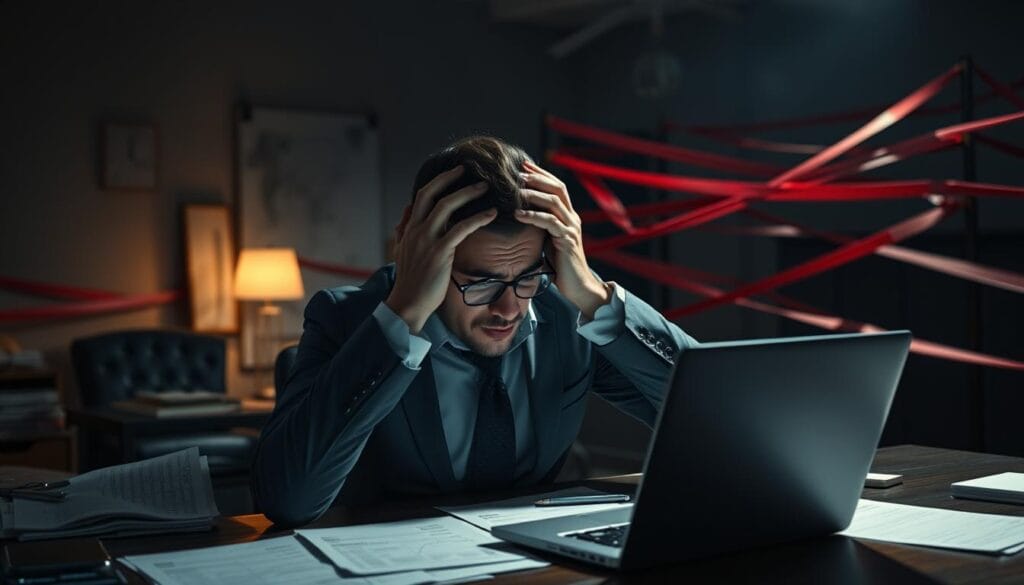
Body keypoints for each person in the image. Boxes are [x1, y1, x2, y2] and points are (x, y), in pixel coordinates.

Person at [252, 136, 697, 527]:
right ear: (419, 252)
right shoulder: (344, 320)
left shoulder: (567, 317)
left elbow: (716, 416)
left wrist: (595, 297)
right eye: (480, 282)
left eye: (528, 276)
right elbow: (288, 501)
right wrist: (403, 316)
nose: (509, 309)